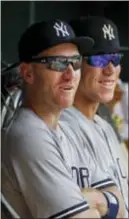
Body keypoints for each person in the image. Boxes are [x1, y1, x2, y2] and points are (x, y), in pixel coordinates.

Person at [1, 19, 124, 219]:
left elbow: (119, 207)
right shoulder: (28, 134)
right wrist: (97, 202)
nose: (70, 74)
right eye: (57, 64)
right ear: (28, 73)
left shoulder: (68, 132)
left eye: (75, 63)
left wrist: (98, 202)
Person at [61, 16, 128, 218]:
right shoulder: (59, 128)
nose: (110, 70)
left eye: (114, 59)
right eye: (98, 58)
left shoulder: (104, 126)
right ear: (73, 64)